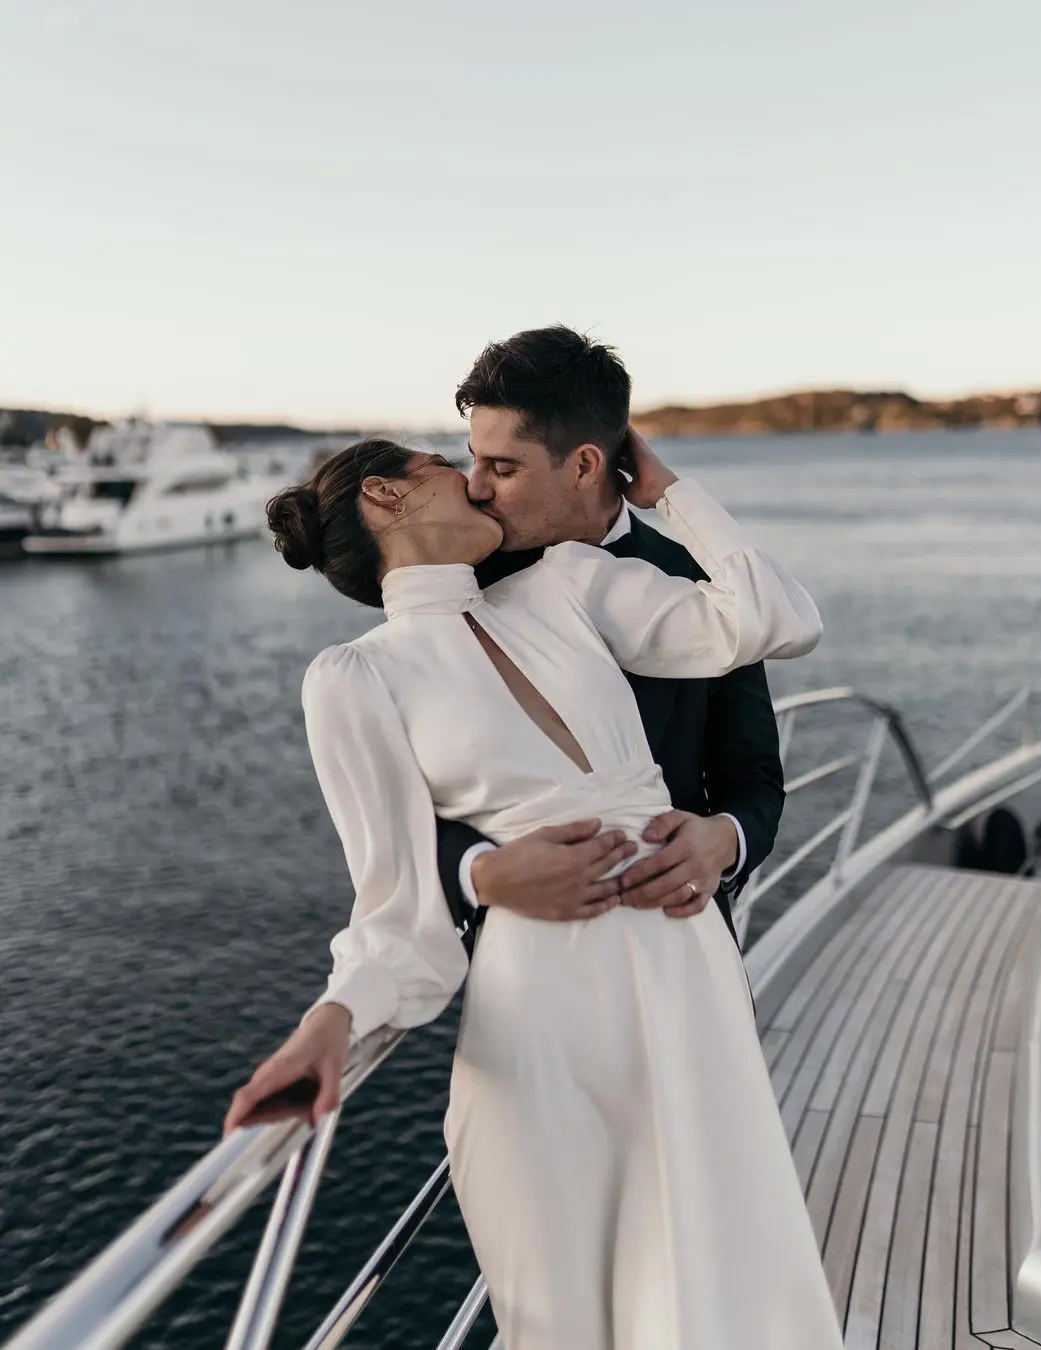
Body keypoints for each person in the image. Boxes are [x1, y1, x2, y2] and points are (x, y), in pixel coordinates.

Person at [224, 420, 844, 1349]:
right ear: (386, 496)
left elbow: (775, 621)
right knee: (575, 1311)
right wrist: (332, 1022)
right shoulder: (354, 679)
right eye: (449, 467)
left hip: (687, 977)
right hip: (542, 1013)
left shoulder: (567, 582)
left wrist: (669, 493)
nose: (480, 485)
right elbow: (399, 913)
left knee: (732, 1284)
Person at [438, 328, 784, 952]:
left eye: (502, 467)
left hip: (683, 941)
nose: (476, 487)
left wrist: (723, 839)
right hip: (528, 959)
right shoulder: (459, 584)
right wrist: (481, 873)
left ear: (585, 464)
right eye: (473, 458)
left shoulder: (700, 582)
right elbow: (406, 792)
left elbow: (754, 777)